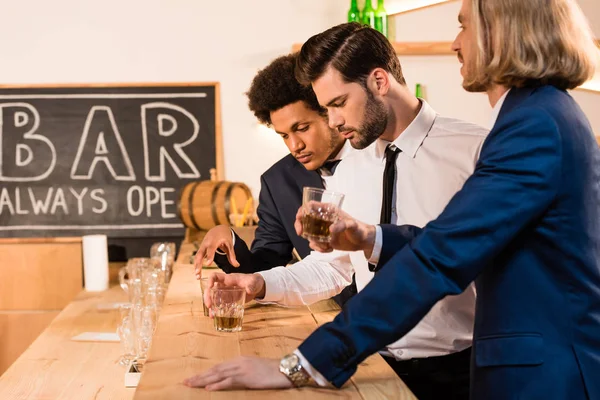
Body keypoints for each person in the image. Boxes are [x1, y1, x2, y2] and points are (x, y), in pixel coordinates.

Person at [185, 22, 490, 399]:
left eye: (337, 104)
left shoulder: (477, 151)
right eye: (326, 108)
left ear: (379, 81)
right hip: (372, 364)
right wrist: (260, 284)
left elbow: (474, 260)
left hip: (466, 369)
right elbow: (332, 269)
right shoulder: (349, 169)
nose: (332, 121)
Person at [194, 53, 357, 306]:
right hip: (334, 315)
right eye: (283, 136)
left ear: (330, 112)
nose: (295, 146)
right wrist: (228, 238)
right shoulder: (277, 181)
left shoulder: (377, 160)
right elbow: (265, 266)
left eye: (302, 128)